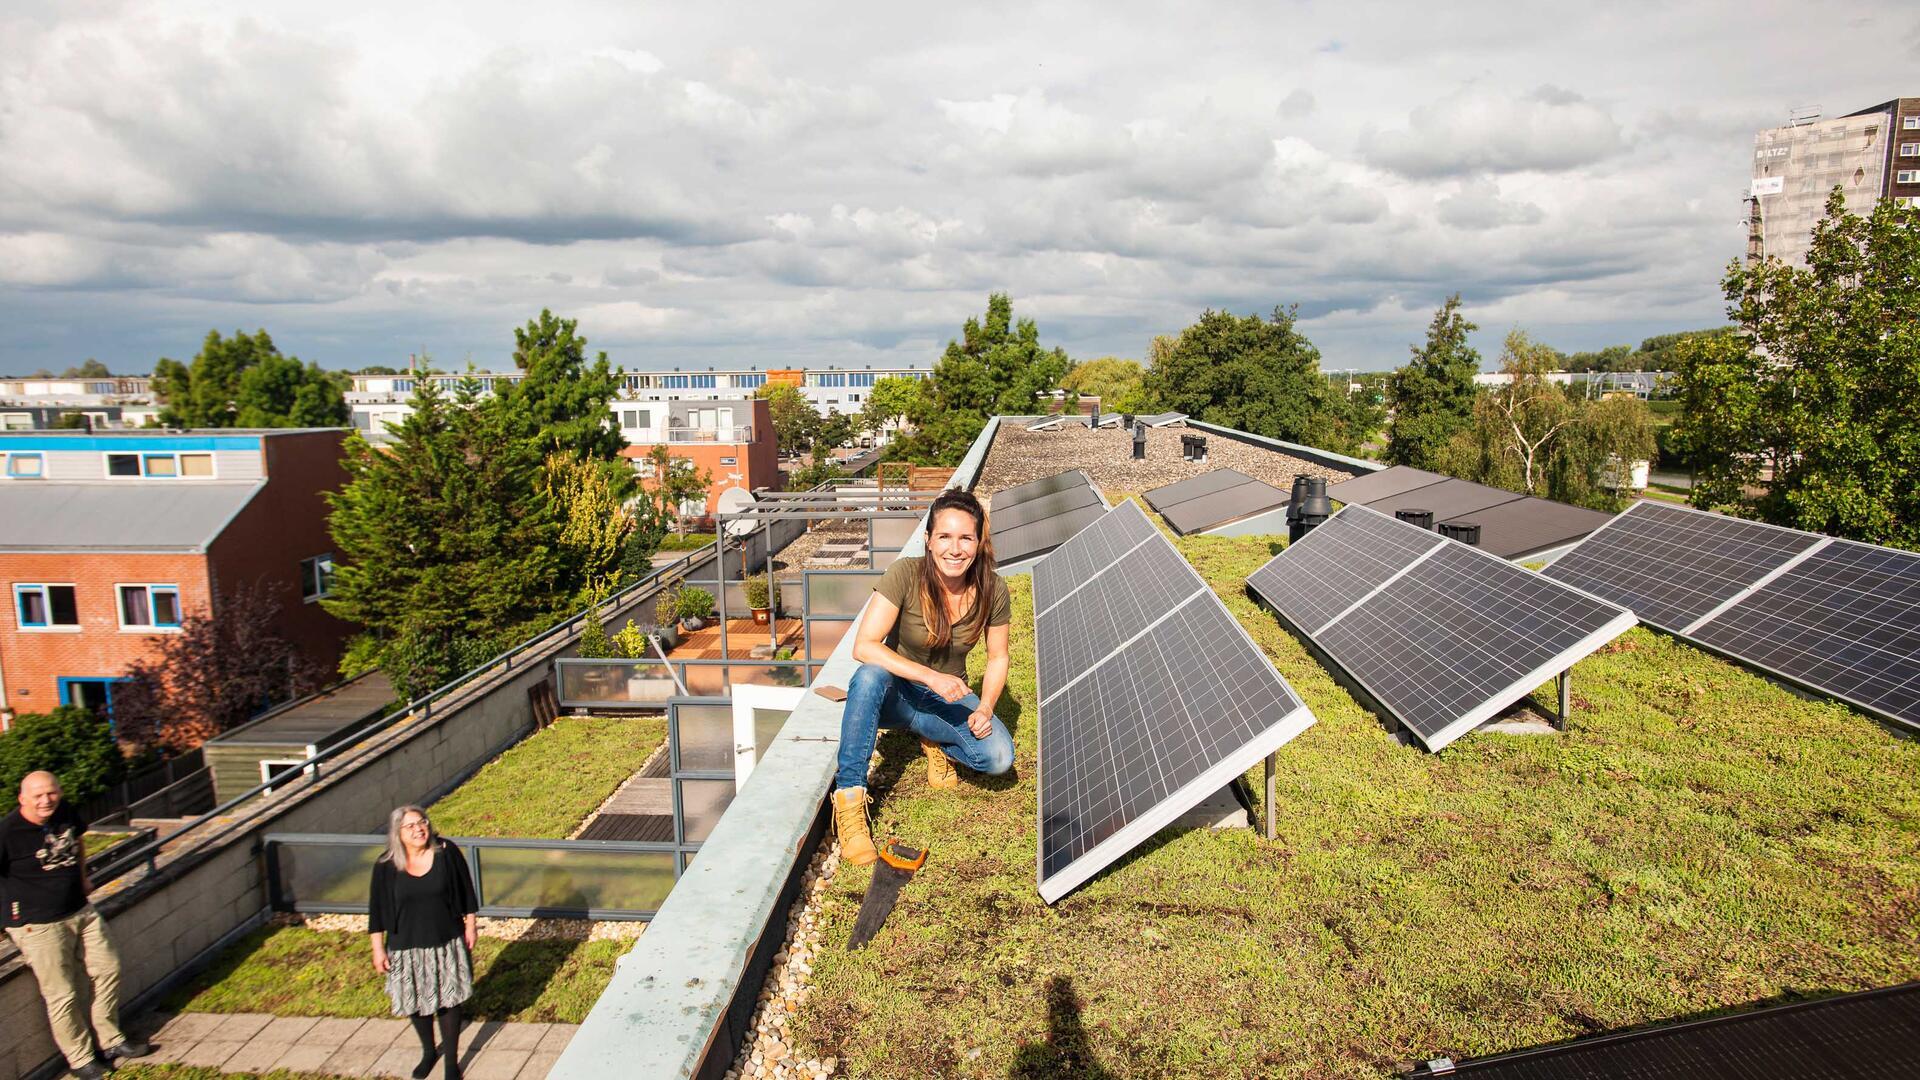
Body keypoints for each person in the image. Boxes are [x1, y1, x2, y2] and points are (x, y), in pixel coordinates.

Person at [834, 489, 1015, 864]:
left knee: (998, 758)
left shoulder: (993, 588)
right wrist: (931, 677)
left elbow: (998, 656)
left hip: (946, 700)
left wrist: (985, 707)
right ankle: (850, 804)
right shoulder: (904, 574)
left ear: (979, 543)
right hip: (896, 695)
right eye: (945, 537)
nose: (955, 549)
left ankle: (935, 739)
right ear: (929, 540)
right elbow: (864, 646)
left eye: (966, 538)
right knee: (868, 677)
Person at [1, 771, 150, 1080]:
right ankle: (81, 1059)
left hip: (80, 910)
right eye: (38, 796)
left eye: (52, 793)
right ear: (22, 799)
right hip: (37, 924)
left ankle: (110, 1040)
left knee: (108, 968)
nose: (46, 800)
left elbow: (78, 841)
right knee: (62, 994)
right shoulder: (7, 832)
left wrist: (83, 877)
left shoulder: (65, 811)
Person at [368, 806, 478, 1080]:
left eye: (422, 822)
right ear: (397, 832)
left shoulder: (446, 852)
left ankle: (451, 1062)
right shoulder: (385, 865)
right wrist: (378, 948)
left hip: (446, 940)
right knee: (415, 1001)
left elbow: (466, 890)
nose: (419, 829)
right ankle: (429, 1052)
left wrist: (470, 925)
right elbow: (377, 910)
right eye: (410, 826)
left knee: (449, 1001)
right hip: (406, 946)